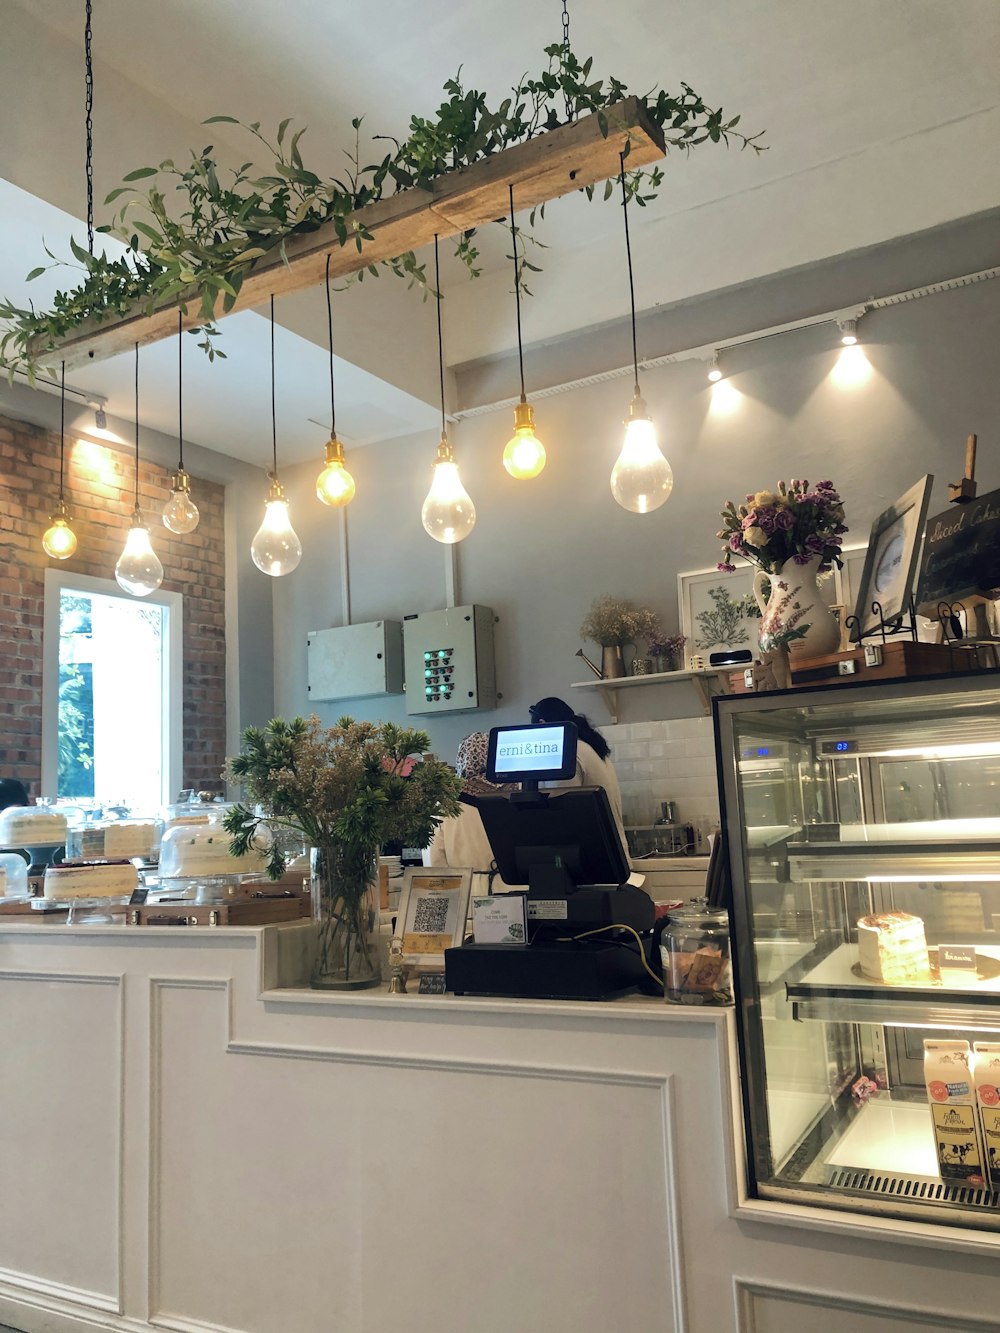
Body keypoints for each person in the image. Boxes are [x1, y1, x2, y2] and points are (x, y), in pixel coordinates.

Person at [423, 732, 523, 893]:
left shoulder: (445, 805)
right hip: (516, 891)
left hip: (467, 894)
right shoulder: (521, 796)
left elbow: (435, 864)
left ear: (464, 757)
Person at [527, 696, 628, 852]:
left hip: (594, 856)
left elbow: (559, 809)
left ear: (542, 724)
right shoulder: (588, 746)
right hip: (609, 852)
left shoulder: (568, 752)